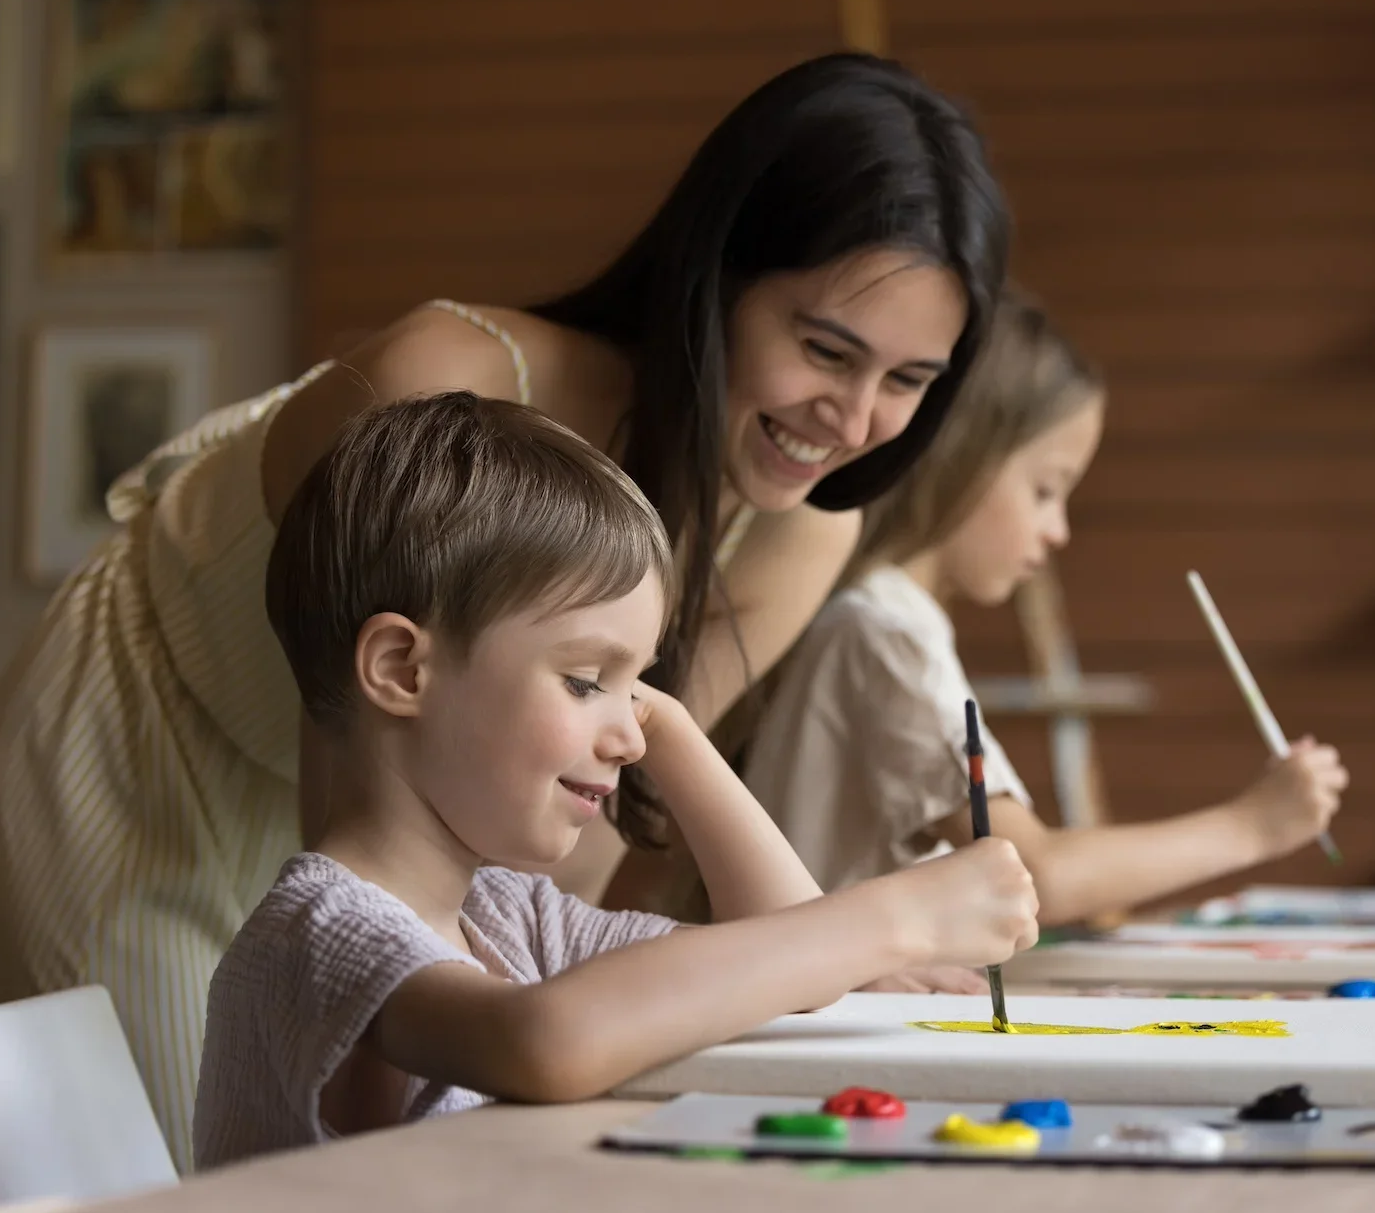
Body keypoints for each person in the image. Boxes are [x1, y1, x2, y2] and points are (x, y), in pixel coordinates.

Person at [0, 52, 1009, 1170]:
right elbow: (406, 909)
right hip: (148, 757)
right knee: (132, 1173)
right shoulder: (450, 384)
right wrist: (885, 919)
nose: (853, 418)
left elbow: (575, 820)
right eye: (825, 349)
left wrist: (701, 796)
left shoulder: (803, 527)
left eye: (910, 380)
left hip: (420, 815)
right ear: (721, 277)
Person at [193, 392, 1037, 1169]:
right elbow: (545, 1042)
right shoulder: (319, 929)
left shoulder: (503, 912)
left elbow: (789, 958)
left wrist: (665, 724)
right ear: (403, 668)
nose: (629, 732)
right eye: (586, 679)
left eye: (638, 688)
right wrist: (902, 917)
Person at [737, 292, 1348, 936]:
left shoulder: (883, 620)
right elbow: (1035, 874)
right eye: (1045, 490)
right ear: (962, 456)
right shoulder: (880, 632)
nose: (1058, 531)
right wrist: (1252, 826)